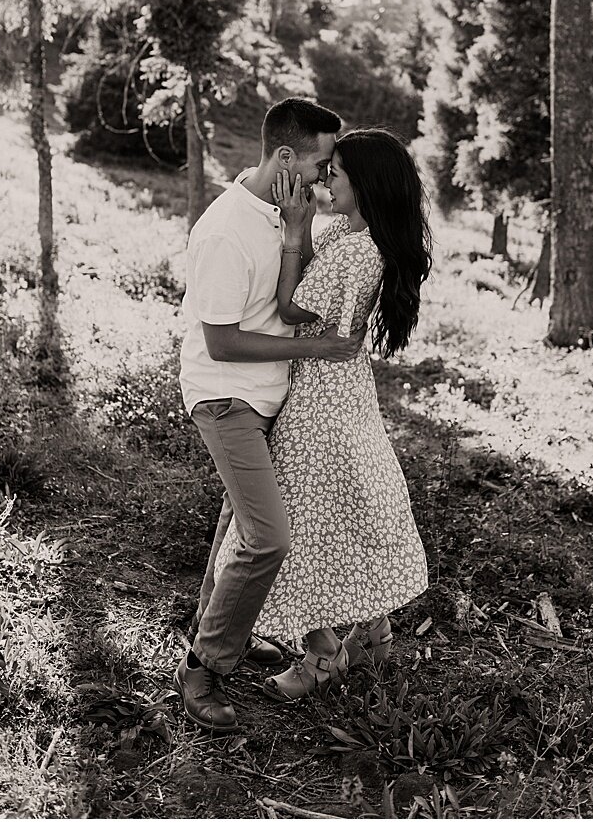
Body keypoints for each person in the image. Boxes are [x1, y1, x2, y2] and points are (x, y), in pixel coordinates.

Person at [208, 127, 433, 701]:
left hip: (319, 401)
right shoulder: (351, 234)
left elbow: (290, 306)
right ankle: (371, 632)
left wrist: (291, 231)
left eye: (339, 169)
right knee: (328, 515)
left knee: (299, 527)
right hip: (333, 387)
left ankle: (321, 655)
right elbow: (313, 282)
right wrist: (307, 233)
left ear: (367, 184)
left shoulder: (360, 250)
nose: (327, 174)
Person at [175, 97, 364, 732]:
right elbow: (222, 341)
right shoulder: (226, 229)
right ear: (285, 158)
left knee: (241, 526)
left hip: (267, 397)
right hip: (226, 396)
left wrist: (298, 232)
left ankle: (217, 628)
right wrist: (320, 349)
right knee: (269, 537)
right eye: (319, 162)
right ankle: (205, 665)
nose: (325, 174)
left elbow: (298, 296)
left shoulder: (289, 212)